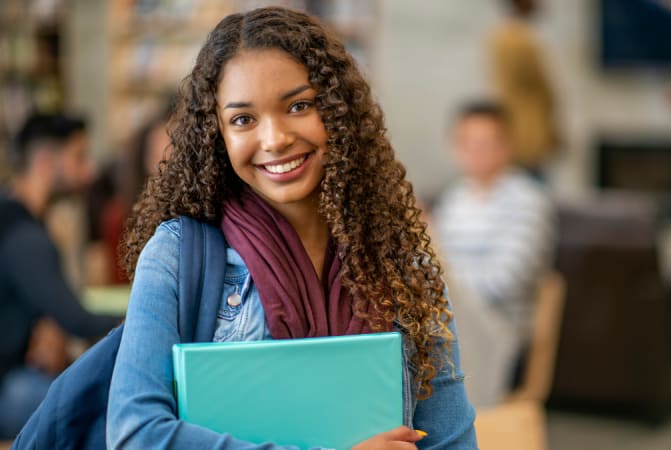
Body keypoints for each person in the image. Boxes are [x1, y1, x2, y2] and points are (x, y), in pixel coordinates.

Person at [107, 7, 477, 449]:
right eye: (244, 119)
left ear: (338, 112)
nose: (275, 138)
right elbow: (135, 435)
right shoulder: (177, 256)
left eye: (298, 106)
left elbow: (451, 440)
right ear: (217, 135)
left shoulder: (402, 263)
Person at [0, 113, 122, 438]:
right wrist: (146, 314)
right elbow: (77, 320)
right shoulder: (24, 236)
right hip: (8, 388)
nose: (90, 170)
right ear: (44, 162)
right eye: (78, 157)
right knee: (105, 406)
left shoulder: (13, 219)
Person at [431, 101, 555, 407]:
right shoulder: (454, 199)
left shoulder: (527, 200)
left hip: (498, 326)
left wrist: (446, 288)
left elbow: (504, 282)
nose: (475, 152)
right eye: (466, 143)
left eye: (485, 143)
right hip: (449, 317)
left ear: (506, 146)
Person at [86, 111, 171, 285]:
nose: (168, 160)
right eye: (158, 152)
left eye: (174, 149)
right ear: (144, 159)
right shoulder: (119, 217)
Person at [487, 0, 560, 174]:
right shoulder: (518, 40)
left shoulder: (503, 36)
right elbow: (538, 88)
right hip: (526, 130)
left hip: (519, 127)